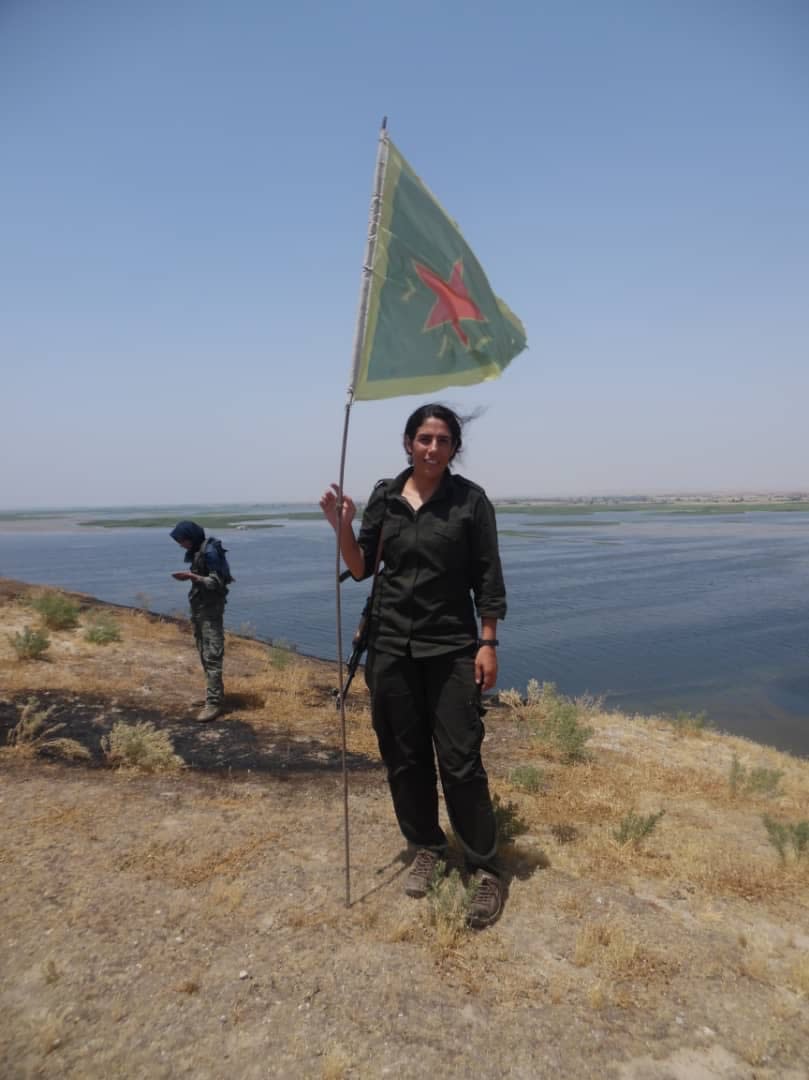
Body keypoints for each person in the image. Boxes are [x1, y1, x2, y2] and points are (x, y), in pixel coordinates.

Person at [321, 403, 507, 927]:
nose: (432, 448)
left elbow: (488, 579)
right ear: (408, 443)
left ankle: (485, 867)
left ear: (454, 448)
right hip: (390, 649)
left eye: (443, 440)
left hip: (450, 649)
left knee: (460, 761)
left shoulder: (470, 503)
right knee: (403, 757)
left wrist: (488, 643)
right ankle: (426, 844)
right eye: (424, 438)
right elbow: (361, 568)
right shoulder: (385, 497)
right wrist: (342, 525)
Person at [170, 521, 229, 722]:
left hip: (210, 611)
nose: (181, 545)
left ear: (191, 537)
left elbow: (216, 582)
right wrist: (191, 577)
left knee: (212, 655)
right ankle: (214, 695)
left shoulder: (210, 551)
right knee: (204, 654)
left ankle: (214, 703)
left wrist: (193, 577)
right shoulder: (199, 551)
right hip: (200, 610)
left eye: (183, 541)